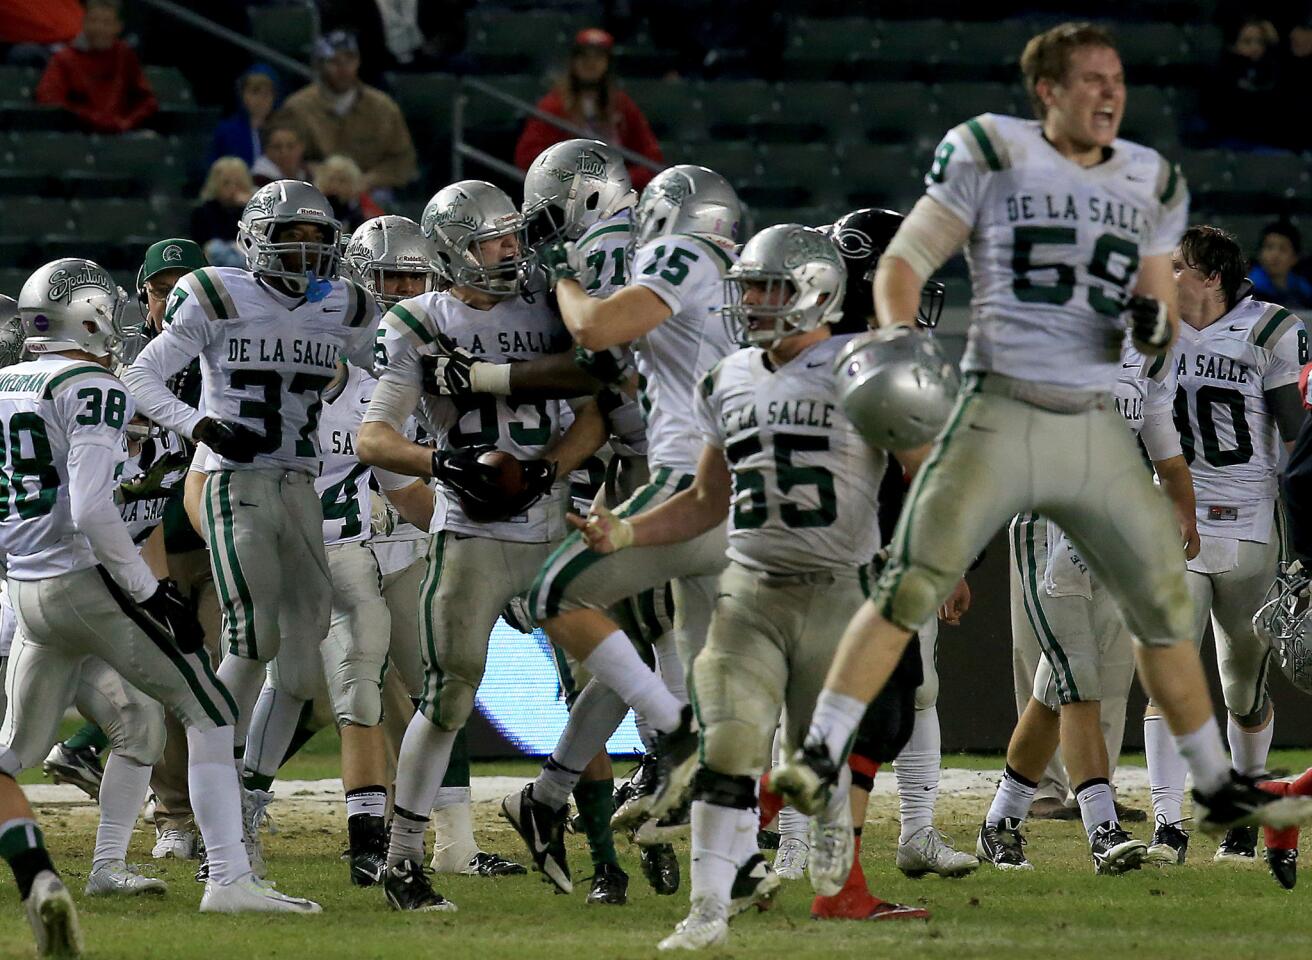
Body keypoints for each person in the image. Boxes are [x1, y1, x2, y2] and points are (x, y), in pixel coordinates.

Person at [770, 21, 1312, 843]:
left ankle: (1206, 799)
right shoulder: (985, 150)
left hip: (1098, 436)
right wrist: (890, 352)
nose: (1110, 93)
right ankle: (810, 757)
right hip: (1005, 410)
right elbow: (903, 264)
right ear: (1046, 93)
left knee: (1153, 622)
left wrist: (1173, 476)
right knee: (913, 584)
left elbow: (1153, 350)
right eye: (1090, 78)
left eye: (1118, 78)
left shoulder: (1149, 179)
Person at [577, 224, 925, 949]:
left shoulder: (864, 367)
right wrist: (630, 534)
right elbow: (707, 500)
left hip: (837, 593)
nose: (757, 303)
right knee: (729, 744)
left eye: (771, 288)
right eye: (750, 289)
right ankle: (707, 910)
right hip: (751, 593)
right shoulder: (726, 375)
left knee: (812, 762)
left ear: (818, 291)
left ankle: (834, 857)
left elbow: (929, 470)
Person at [1, 258, 318, 914]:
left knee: (69, 739)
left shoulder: (8, 382)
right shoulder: (91, 382)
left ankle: (107, 866)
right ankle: (230, 878)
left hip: (27, 588)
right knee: (211, 708)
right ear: (86, 315)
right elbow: (91, 509)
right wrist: (146, 590)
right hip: (82, 580)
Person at [356, 179, 607, 912]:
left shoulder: (549, 308)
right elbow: (375, 435)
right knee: (450, 692)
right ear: (450, 252)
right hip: (467, 530)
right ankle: (404, 860)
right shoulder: (417, 319)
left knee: (612, 670)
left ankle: (572, 819)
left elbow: (595, 409)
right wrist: (444, 463)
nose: (510, 250)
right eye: (491, 240)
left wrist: (550, 468)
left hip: (552, 526)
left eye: (512, 235)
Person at [121, 180, 382, 880]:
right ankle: (217, 821)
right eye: (291, 237)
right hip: (236, 482)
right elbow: (140, 377)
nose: (305, 252)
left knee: (299, 669)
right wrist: (200, 424)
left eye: (316, 239)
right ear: (257, 240)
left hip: (299, 486)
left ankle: (242, 798)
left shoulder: (348, 306)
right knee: (252, 636)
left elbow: (394, 370)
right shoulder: (217, 293)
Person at [981, 336, 1197, 874]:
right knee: (1079, 682)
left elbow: (1166, 456)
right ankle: (1103, 831)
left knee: (1055, 689)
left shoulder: (1148, 352)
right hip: (1047, 527)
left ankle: (1000, 821)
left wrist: (1183, 514)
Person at [1142, 225, 1307, 865]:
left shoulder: (1270, 331)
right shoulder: (1153, 331)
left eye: (1179, 266)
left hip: (1249, 523)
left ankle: (1239, 814)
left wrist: (1304, 541)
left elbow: (1296, 444)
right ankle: (1168, 826)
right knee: (1168, 669)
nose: (1166, 275)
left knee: (1242, 684)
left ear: (1211, 275)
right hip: (1176, 519)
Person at [514, 28, 663, 190]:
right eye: (583, 56)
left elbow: (651, 157)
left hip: (616, 198)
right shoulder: (553, 105)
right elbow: (528, 158)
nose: (590, 63)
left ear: (608, 63)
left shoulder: (622, 105)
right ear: (573, 61)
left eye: (598, 57)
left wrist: (622, 180)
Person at [275, 30, 418, 198]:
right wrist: (320, 175)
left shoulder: (383, 107)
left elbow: (403, 159)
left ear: (358, 62)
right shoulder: (297, 107)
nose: (343, 69)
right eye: (334, 62)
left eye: (349, 60)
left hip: (370, 189)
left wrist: (368, 180)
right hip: (315, 187)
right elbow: (283, 154)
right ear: (320, 65)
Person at [34, 0, 156, 134]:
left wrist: (127, 122)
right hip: (77, 137)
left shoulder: (124, 54)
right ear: (84, 23)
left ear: (118, 27)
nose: (99, 28)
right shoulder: (64, 58)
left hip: (121, 134)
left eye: (106, 23)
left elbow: (146, 100)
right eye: (93, 21)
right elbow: (49, 100)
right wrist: (89, 119)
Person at [1205, 17, 1281, 149]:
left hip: (1263, 142)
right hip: (1229, 141)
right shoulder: (1221, 73)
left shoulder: (1270, 71)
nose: (1255, 47)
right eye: (1247, 42)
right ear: (1233, 45)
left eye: (1260, 42)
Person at [190, 157, 255, 266]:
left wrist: (248, 206)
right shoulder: (203, 211)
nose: (233, 188)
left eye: (238, 183)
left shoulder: (251, 210)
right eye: (226, 183)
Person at [208, 67, 277, 168]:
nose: (262, 98)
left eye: (267, 93)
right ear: (243, 95)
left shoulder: (281, 130)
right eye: (255, 92)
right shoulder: (227, 131)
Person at [1248, 221, 1312, 310]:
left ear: (1295, 258)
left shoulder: (1304, 292)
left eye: (1283, 249)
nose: (1275, 255)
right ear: (1259, 254)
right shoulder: (1247, 291)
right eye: (1269, 247)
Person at [315, 155, 384, 235]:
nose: (335, 185)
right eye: (331, 179)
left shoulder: (357, 215)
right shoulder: (314, 210)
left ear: (352, 184)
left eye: (342, 181)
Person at [251, 123, 311, 187]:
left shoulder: (307, 173)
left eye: (291, 146)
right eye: (277, 147)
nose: (284, 152)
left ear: (302, 147)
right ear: (267, 150)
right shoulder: (259, 180)